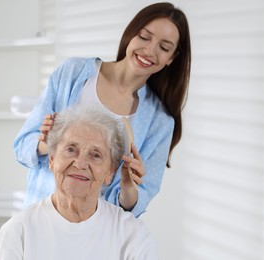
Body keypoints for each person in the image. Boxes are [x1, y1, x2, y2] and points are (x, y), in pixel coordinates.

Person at [13, 2, 191, 217]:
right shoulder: (73, 73)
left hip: (99, 234)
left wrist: (128, 185)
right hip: (43, 217)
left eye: (164, 47)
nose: (149, 50)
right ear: (131, 34)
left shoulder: (160, 121)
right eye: (144, 37)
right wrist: (47, 142)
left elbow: (136, 202)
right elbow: (22, 147)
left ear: (172, 58)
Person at [0, 107, 159, 260]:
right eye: (71, 149)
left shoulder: (133, 236)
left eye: (95, 155)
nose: (80, 163)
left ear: (110, 172)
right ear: (52, 159)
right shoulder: (17, 232)